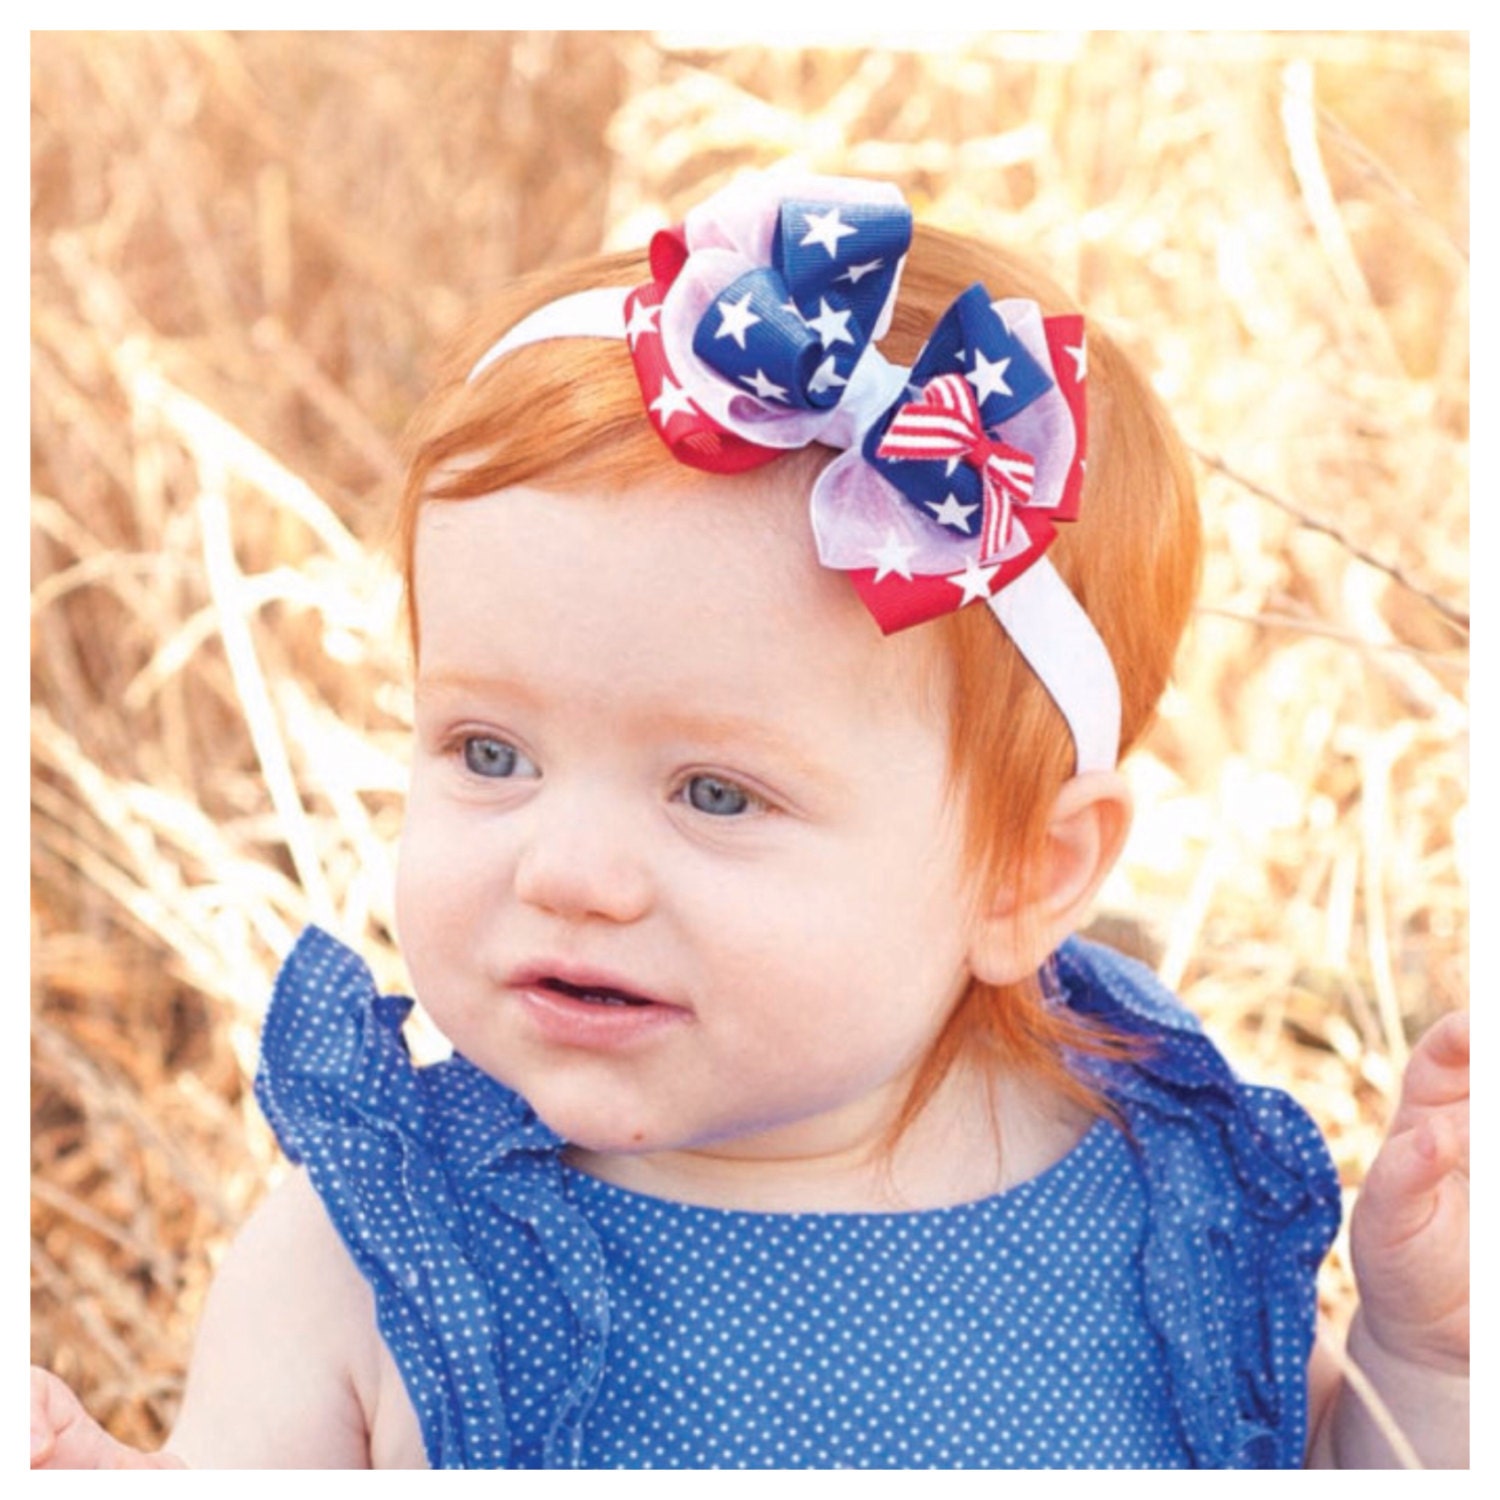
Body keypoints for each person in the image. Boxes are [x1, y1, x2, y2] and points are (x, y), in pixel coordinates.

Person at [30, 167, 1468, 1470]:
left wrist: (1430, 1361)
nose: (571, 871)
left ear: (1026, 874)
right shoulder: (375, 1264)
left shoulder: (1153, 1213)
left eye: (715, 792)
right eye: (488, 750)